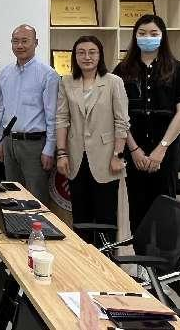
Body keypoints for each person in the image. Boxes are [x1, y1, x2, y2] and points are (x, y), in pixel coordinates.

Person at [113, 14, 180, 231]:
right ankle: (140, 252)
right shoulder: (122, 70)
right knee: (137, 206)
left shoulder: (178, 69)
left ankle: (164, 254)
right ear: (135, 37)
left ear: (162, 36)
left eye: (153, 33)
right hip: (134, 148)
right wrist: (134, 149)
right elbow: (118, 114)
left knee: (165, 207)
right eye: (142, 33)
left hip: (167, 148)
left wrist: (161, 149)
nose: (147, 38)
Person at [55, 35, 129, 243]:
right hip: (76, 158)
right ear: (74, 56)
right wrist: (61, 153)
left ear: (100, 55)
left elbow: (122, 122)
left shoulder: (113, 82)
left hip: (106, 158)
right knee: (81, 216)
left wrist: (118, 155)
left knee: (106, 216)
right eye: (81, 52)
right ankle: (83, 258)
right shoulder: (66, 82)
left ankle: (106, 259)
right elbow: (61, 119)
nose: (87, 57)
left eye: (92, 52)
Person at [0, 24, 59, 204]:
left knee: (36, 199)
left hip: (35, 146)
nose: (20, 46)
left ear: (36, 43)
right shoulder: (5, 73)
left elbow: (52, 115)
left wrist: (49, 149)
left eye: (25, 41)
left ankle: (37, 225)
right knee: (13, 197)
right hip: (9, 143)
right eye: (15, 41)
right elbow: (0, 108)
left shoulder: (48, 74)